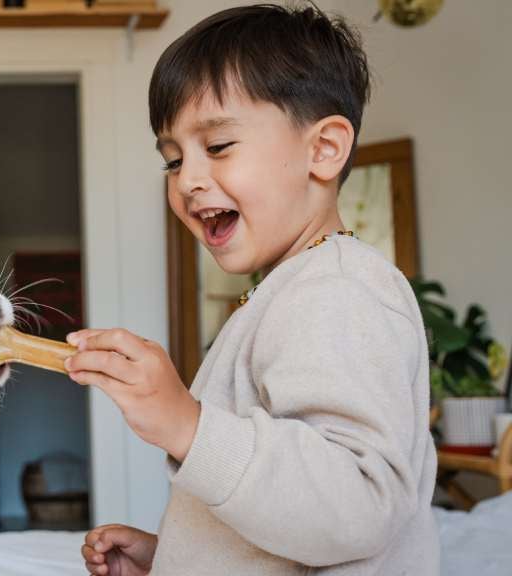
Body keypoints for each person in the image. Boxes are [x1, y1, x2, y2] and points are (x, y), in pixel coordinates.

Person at [67, 4, 439, 574]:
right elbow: (284, 513)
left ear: (324, 149)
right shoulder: (289, 291)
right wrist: (176, 559)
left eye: (217, 147)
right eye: (172, 160)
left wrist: (187, 425)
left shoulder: (338, 292)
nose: (188, 178)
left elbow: (358, 506)